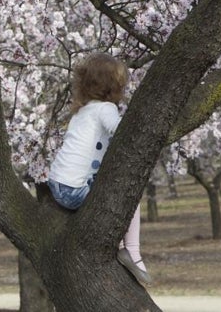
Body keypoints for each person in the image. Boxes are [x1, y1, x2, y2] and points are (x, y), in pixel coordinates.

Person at [47, 52, 151, 284]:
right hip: (74, 189)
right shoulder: (106, 109)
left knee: (113, 189)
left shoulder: (83, 111)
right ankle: (132, 250)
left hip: (58, 184)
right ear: (115, 87)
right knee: (129, 196)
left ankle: (122, 246)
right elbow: (122, 134)